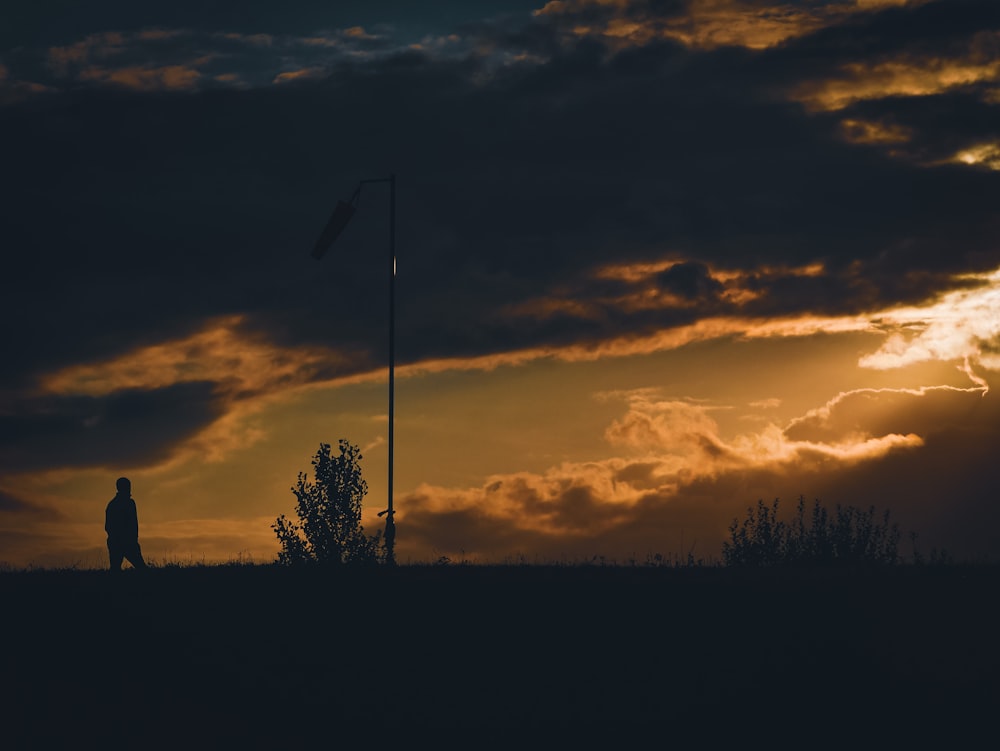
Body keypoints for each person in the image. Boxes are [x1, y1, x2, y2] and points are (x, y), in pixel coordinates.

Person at [105, 477, 147, 572]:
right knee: (142, 569)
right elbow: (133, 524)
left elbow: (107, 527)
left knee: (115, 570)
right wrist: (132, 539)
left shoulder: (112, 505)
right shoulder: (129, 503)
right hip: (128, 542)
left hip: (115, 541)